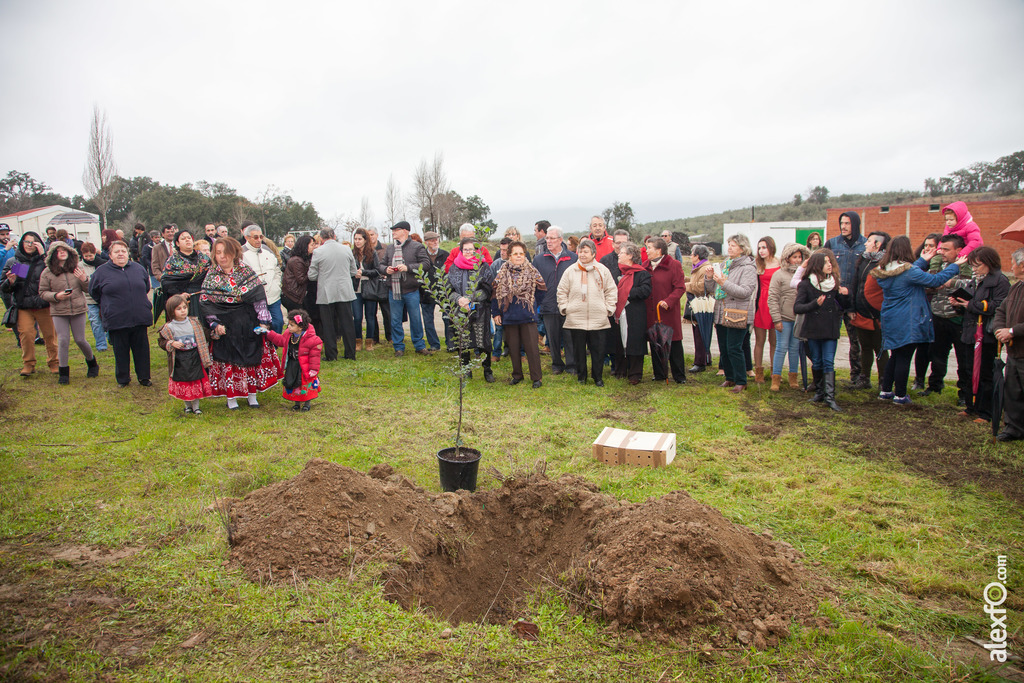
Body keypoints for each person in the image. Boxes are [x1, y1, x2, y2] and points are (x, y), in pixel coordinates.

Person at [872, 236, 967, 405]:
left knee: (895, 355)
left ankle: (886, 390)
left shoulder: (885, 269)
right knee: (905, 357)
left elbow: (907, 271)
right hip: (907, 319)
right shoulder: (908, 272)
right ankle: (900, 395)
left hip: (891, 317)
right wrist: (955, 267)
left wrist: (923, 260)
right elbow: (935, 280)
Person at [199, 236, 283, 409]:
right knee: (228, 361)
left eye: (226, 252)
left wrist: (264, 322)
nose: (222, 256)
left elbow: (259, 298)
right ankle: (232, 398)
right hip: (225, 324)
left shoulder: (245, 271)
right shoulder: (211, 274)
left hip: (246, 321)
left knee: (249, 357)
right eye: (218, 252)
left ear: (234, 253)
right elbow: (206, 302)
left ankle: (252, 395)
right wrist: (214, 324)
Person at [950, 246, 1010, 424]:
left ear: (989, 263)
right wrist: (958, 304)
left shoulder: (1001, 281)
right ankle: (971, 406)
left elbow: (998, 307)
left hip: (987, 336)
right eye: (973, 266)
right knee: (969, 371)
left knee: (985, 374)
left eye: (978, 265)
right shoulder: (975, 280)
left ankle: (986, 412)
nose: (974, 269)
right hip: (969, 332)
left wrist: (971, 305)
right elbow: (969, 305)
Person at [89, 241, 153, 388]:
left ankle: (144, 377)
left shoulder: (138, 268)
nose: (120, 254)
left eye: (123, 251)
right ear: (110, 255)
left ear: (128, 253)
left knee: (142, 350)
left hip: (139, 317)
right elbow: (94, 291)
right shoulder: (101, 272)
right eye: (116, 251)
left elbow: (146, 287)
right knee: (121, 351)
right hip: (117, 319)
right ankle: (123, 378)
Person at [793, 250, 848, 411]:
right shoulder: (806, 284)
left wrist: (845, 295)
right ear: (817, 265)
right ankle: (819, 392)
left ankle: (830, 397)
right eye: (825, 262)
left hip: (830, 328)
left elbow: (844, 306)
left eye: (830, 262)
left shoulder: (834, 283)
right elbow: (798, 307)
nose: (829, 265)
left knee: (828, 361)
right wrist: (814, 304)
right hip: (813, 328)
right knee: (817, 361)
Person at [558, 238, 617, 386]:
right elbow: (561, 291)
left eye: (586, 251)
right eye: (580, 251)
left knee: (598, 350)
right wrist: (565, 308)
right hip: (576, 317)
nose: (582, 254)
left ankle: (597, 377)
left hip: (598, 318)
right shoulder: (571, 271)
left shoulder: (602, 270)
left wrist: (609, 308)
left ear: (593, 253)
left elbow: (611, 290)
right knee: (578, 350)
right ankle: (581, 376)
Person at [920, 234, 973, 399]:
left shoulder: (968, 266)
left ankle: (964, 393)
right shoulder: (939, 265)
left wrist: (951, 283)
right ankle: (935, 386)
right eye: (941, 248)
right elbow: (927, 281)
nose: (941, 252)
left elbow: (975, 284)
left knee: (963, 359)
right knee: (937, 355)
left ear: (958, 250)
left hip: (958, 319)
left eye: (946, 249)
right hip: (938, 316)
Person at [38, 241, 98, 384]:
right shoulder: (47, 272)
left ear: (70, 252)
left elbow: (88, 289)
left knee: (80, 339)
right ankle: (63, 372)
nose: (62, 252)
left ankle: (92, 364)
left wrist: (84, 279)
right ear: (53, 255)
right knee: (63, 340)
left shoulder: (76, 268)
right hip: (59, 310)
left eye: (64, 250)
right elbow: (42, 292)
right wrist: (56, 296)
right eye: (58, 251)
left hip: (78, 309)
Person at [2, 232, 59, 377]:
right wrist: (10, 282)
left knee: (50, 335)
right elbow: (3, 287)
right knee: (26, 334)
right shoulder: (15, 262)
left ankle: (54, 362)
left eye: (33, 243)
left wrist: (44, 255)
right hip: (23, 305)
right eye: (27, 242)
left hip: (43, 304)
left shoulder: (45, 261)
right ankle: (28, 364)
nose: (29, 245)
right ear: (21, 243)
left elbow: (56, 274)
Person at [491, 240, 545, 388]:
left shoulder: (532, 271)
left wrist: (532, 304)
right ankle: (517, 375)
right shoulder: (502, 272)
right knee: (513, 348)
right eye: (515, 254)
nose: (519, 256)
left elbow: (541, 290)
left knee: (532, 348)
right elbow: (495, 294)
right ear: (509, 255)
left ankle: (536, 378)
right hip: (509, 316)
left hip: (528, 316)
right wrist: (496, 313)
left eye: (521, 253)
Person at [707, 234, 757, 392]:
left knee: (735, 347)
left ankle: (741, 380)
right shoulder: (723, 265)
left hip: (738, 312)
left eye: (733, 245)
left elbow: (745, 291)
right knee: (724, 347)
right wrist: (709, 278)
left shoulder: (748, 267)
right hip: (721, 310)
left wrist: (724, 283)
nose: (729, 248)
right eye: (729, 244)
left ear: (743, 248)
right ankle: (729, 377)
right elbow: (712, 290)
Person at [378, 221, 433, 357]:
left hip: (411, 290)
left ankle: (419, 345)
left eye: (396, 229)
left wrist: (408, 267)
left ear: (405, 231)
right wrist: (386, 269)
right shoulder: (390, 248)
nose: (393, 232)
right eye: (393, 230)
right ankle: (398, 347)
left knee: (415, 319)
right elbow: (381, 265)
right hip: (394, 290)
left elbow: (426, 264)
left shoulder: (417, 246)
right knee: (395, 320)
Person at [825, 211, 867, 384]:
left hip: (854, 301)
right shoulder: (832, 243)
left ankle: (857, 375)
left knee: (856, 341)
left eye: (847, 223)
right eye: (841, 223)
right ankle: (826, 374)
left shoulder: (865, 245)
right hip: (834, 299)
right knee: (828, 338)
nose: (843, 226)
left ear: (855, 224)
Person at [847, 231, 891, 390]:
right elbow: (854, 284)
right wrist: (851, 307)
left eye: (870, 241)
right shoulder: (864, 260)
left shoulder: (887, 264)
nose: (866, 243)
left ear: (878, 244)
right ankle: (864, 378)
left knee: (880, 349)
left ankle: (883, 381)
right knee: (864, 347)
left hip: (878, 315)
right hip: (861, 312)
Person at [307, 228, 358, 361]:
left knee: (328, 324)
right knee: (347, 323)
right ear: (334, 236)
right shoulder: (346, 249)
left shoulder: (318, 252)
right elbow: (353, 271)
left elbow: (311, 275)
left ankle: (331, 354)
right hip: (344, 290)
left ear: (322, 238)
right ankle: (350, 353)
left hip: (326, 291)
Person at [448, 238, 495, 381]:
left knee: (483, 341)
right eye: (466, 249)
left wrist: (471, 298)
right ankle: (466, 369)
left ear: (477, 251)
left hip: (480, 310)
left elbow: (488, 289)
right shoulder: (454, 267)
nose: (469, 252)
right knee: (464, 341)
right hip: (460, 310)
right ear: (461, 250)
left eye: (472, 249)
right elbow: (448, 290)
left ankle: (487, 369)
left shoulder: (483, 266)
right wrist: (459, 299)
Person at [157, 294, 213, 415]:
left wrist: (215, 334)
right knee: (183, 382)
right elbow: (161, 342)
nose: (183, 311)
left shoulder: (194, 323)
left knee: (196, 380)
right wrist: (171, 343)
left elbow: (205, 334)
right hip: (180, 359)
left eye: (184, 307)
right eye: (178, 309)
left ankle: (196, 407)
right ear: (171, 311)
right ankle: (187, 406)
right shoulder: (168, 327)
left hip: (195, 356)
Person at [534, 226, 577, 375]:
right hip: (548, 304)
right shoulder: (539, 259)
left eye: (552, 238)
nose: (549, 241)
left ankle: (572, 365)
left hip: (569, 305)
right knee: (552, 337)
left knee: (569, 336)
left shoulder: (573, 258)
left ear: (560, 239)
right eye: (547, 238)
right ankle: (557, 364)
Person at [767, 243, 810, 391]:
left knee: (794, 348)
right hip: (784, 318)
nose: (797, 260)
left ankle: (793, 377)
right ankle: (776, 378)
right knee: (781, 347)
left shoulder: (806, 275)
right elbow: (772, 298)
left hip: (799, 318)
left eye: (800, 257)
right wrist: (776, 319)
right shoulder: (779, 275)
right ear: (787, 258)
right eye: (794, 257)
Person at [645, 237, 688, 384]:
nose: (646, 250)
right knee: (655, 341)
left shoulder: (674, 265)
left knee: (674, 342)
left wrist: (669, 301)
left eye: (649, 248)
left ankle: (679, 375)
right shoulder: (645, 266)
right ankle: (659, 374)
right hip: (651, 311)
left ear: (659, 250)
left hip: (667, 311)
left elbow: (680, 287)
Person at [992, 247, 1024, 441]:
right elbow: (1001, 311)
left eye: (1013, 262)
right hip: (1013, 352)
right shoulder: (1016, 286)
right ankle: (1014, 428)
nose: (1010, 266)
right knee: (1013, 392)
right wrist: (1000, 330)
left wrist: (1011, 331)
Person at [263, 308, 323, 411]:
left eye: (292, 325)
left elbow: (315, 357)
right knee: (294, 383)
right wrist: (268, 333)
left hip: (304, 366)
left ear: (300, 327)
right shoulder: (288, 334)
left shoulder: (312, 340)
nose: (288, 327)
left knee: (304, 384)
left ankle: (306, 404)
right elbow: (280, 341)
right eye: (289, 324)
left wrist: (313, 369)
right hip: (292, 363)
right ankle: (297, 403)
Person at [615, 242, 651, 385]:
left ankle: (635, 374)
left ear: (630, 256)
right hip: (620, 313)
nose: (619, 255)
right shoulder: (621, 273)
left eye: (621, 253)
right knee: (620, 340)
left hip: (635, 314)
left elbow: (645, 291)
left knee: (635, 342)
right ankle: (620, 370)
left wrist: (627, 293)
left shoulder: (642, 273)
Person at [241, 224, 284, 333]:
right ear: (247, 237)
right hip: (254, 299)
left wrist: (276, 285)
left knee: (278, 323)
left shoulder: (267, 252)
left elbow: (277, 270)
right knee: (258, 328)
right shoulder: (241, 254)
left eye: (261, 237)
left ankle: (273, 348)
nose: (259, 240)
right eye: (255, 237)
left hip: (272, 297)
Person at [161, 229, 211, 319]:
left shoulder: (204, 258)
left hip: (205, 297)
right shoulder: (173, 261)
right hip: (185, 300)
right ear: (177, 243)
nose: (187, 240)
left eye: (189, 238)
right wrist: (179, 294)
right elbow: (166, 282)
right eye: (183, 239)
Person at [752, 237, 780, 384]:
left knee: (774, 341)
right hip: (761, 304)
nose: (761, 251)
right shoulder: (757, 264)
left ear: (771, 247)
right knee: (760, 340)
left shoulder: (780, 262)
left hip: (775, 303)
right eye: (759, 248)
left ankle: (775, 372)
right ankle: (758, 371)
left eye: (764, 247)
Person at [350, 228, 382, 351]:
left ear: (365, 240)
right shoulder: (351, 254)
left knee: (370, 316)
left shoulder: (372, 253)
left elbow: (378, 271)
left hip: (370, 289)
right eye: (355, 239)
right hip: (356, 289)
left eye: (359, 239)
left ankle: (369, 341)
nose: (357, 241)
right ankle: (358, 340)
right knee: (357, 317)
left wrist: (364, 272)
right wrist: (354, 274)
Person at [685, 244, 714, 373]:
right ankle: (705, 359)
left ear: (697, 256)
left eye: (692, 254)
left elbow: (702, 287)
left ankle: (700, 362)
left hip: (702, 305)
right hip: (698, 304)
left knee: (700, 334)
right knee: (699, 332)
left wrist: (686, 285)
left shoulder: (704, 268)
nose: (691, 256)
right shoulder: (698, 268)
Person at [420, 231, 449, 351]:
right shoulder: (421, 256)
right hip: (426, 292)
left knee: (447, 318)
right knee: (428, 320)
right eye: (432, 240)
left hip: (444, 292)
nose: (435, 242)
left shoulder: (445, 255)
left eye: (436, 239)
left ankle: (450, 344)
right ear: (426, 242)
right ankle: (434, 344)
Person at [78, 242, 109, 351]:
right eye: (86, 256)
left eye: (91, 256)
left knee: (108, 319)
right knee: (95, 321)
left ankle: (110, 338)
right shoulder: (79, 266)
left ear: (95, 253)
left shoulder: (103, 265)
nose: (89, 258)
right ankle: (101, 345)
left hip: (104, 298)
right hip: (89, 299)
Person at [367, 227, 391, 344]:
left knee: (387, 311)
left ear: (376, 235)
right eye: (368, 235)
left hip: (384, 283)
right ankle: (374, 338)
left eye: (372, 234)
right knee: (372, 313)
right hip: (371, 284)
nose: (370, 237)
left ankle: (390, 336)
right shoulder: (365, 250)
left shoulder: (385, 248)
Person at [150, 224, 177, 325]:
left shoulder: (179, 245)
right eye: (168, 232)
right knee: (169, 308)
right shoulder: (157, 248)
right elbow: (155, 265)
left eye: (172, 231)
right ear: (163, 234)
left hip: (180, 283)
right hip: (166, 283)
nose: (170, 234)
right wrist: (160, 277)